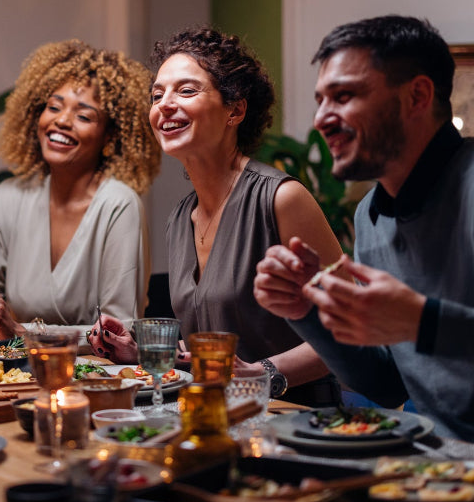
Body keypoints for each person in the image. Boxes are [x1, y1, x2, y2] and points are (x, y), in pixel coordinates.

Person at [93, 26, 344, 406]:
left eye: (187, 90)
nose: (164, 104)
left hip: (297, 418)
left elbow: (347, 327)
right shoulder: (180, 219)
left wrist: (265, 374)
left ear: (236, 110)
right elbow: (213, 347)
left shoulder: (281, 198)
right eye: (157, 95)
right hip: (216, 417)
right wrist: (142, 353)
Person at [254, 14, 474, 440]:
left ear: (417, 97)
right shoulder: (370, 216)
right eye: (320, 99)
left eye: (344, 95)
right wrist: (306, 311)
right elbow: (385, 385)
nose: (321, 118)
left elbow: (423, 328)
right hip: (436, 470)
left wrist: (422, 322)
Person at [0, 39, 160, 346]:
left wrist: (23, 332)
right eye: (53, 107)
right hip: (17, 379)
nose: (62, 121)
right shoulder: (8, 198)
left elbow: (120, 332)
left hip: (96, 381)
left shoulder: (119, 206)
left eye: (83, 116)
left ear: (109, 136)